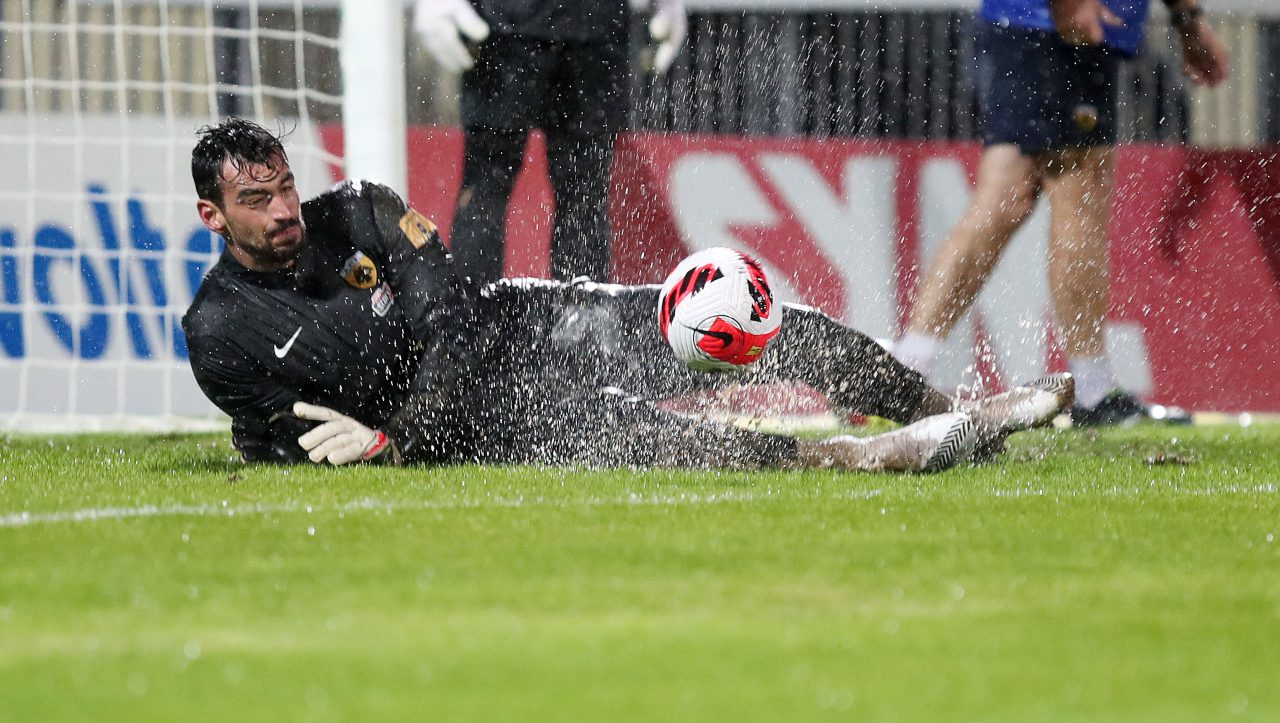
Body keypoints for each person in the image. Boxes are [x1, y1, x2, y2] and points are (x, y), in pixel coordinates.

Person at [182, 118, 1074, 473]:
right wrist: (352, 447)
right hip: (488, 424)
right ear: (212, 217)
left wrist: (396, 437)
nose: (285, 210)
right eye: (257, 200)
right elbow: (278, 437)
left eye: (286, 186)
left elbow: (448, 315)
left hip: (525, 325)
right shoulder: (220, 330)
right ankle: (860, 457)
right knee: (672, 444)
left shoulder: (360, 212)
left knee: (741, 322)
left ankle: (948, 411)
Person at [893, 0, 1228, 425]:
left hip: (1047, 26)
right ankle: (1092, 391)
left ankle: (905, 369)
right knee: (1079, 194)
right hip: (1060, 26)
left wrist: (1186, 19)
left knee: (1003, 201)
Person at [412, 0, 686, 286]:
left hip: (537, 26)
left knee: (566, 192)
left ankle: (476, 319)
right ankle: (573, 317)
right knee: (576, 195)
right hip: (577, 25)